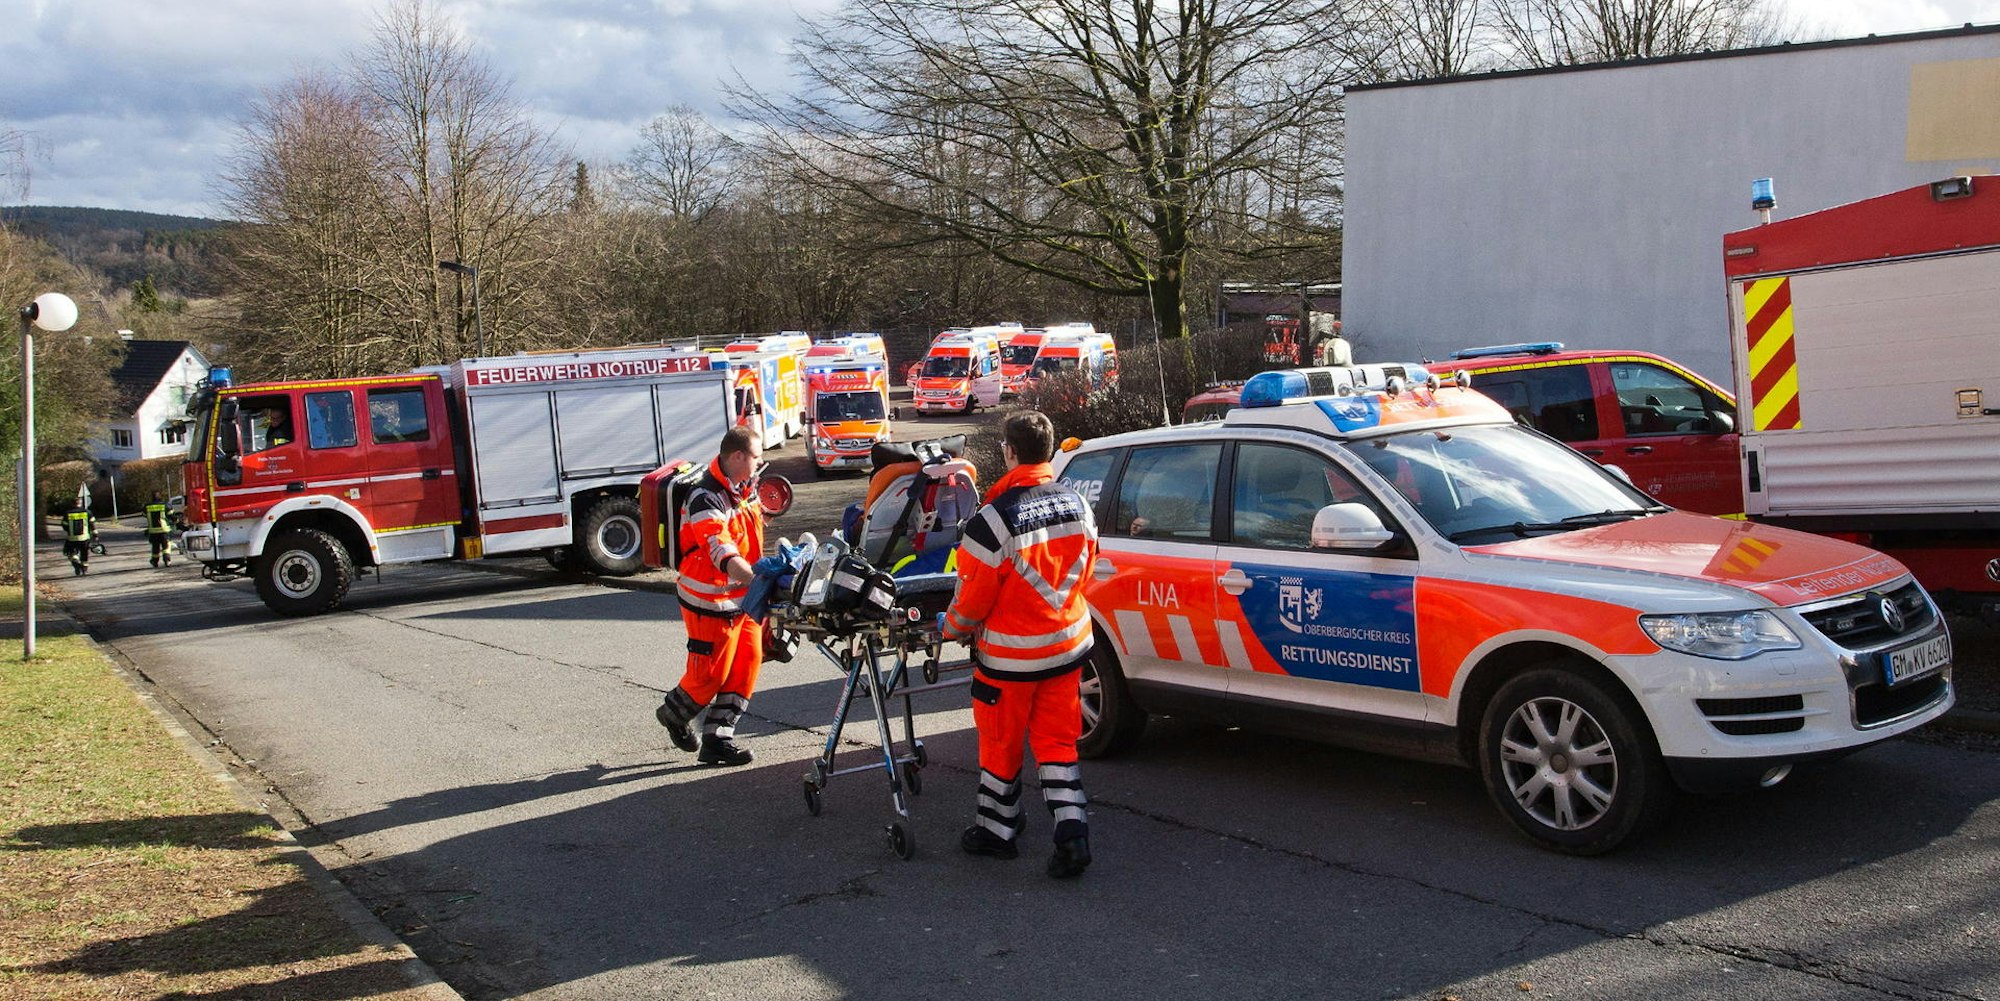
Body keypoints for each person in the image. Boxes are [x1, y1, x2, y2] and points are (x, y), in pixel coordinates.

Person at [941, 410, 1101, 878]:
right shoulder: (1079, 504)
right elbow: (1087, 571)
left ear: (1009, 453)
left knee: (1000, 744)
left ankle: (997, 830)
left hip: (1010, 660)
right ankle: (1073, 834)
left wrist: (948, 628)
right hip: (1068, 649)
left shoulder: (991, 521)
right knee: (1057, 743)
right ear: (1049, 451)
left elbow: (970, 604)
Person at [655, 427, 776, 767]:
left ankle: (718, 740)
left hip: (743, 600)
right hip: (710, 601)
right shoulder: (705, 498)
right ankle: (673, 714)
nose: (761, 461)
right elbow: (722, 552)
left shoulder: (744, 490)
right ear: (737, 457)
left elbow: (749, 537)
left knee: (746, 666)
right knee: (709, 676)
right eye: (756, 456)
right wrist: (759, 581)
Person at [62, 498, 98, 576]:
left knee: (71, 553)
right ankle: (84, 569)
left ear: (72, 504)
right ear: (80, 503)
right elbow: (92, 524)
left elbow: (64, 525)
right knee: (84, 554)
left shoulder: (67, 513)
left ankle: (76, 563)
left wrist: (69, 531)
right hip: (84, 538)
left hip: (72, 538)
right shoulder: (87, 512)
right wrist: (95, 535)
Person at [144, 492, 174, 567]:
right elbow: (171, 516)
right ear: (160, 497)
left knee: (155, 547)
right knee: (166, 546)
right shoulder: (165, 505)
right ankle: (167, 560)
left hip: (153, 531)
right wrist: (177, 522)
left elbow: (144, 515)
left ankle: (154, 561)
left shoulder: (147, 506)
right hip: (164, 530)